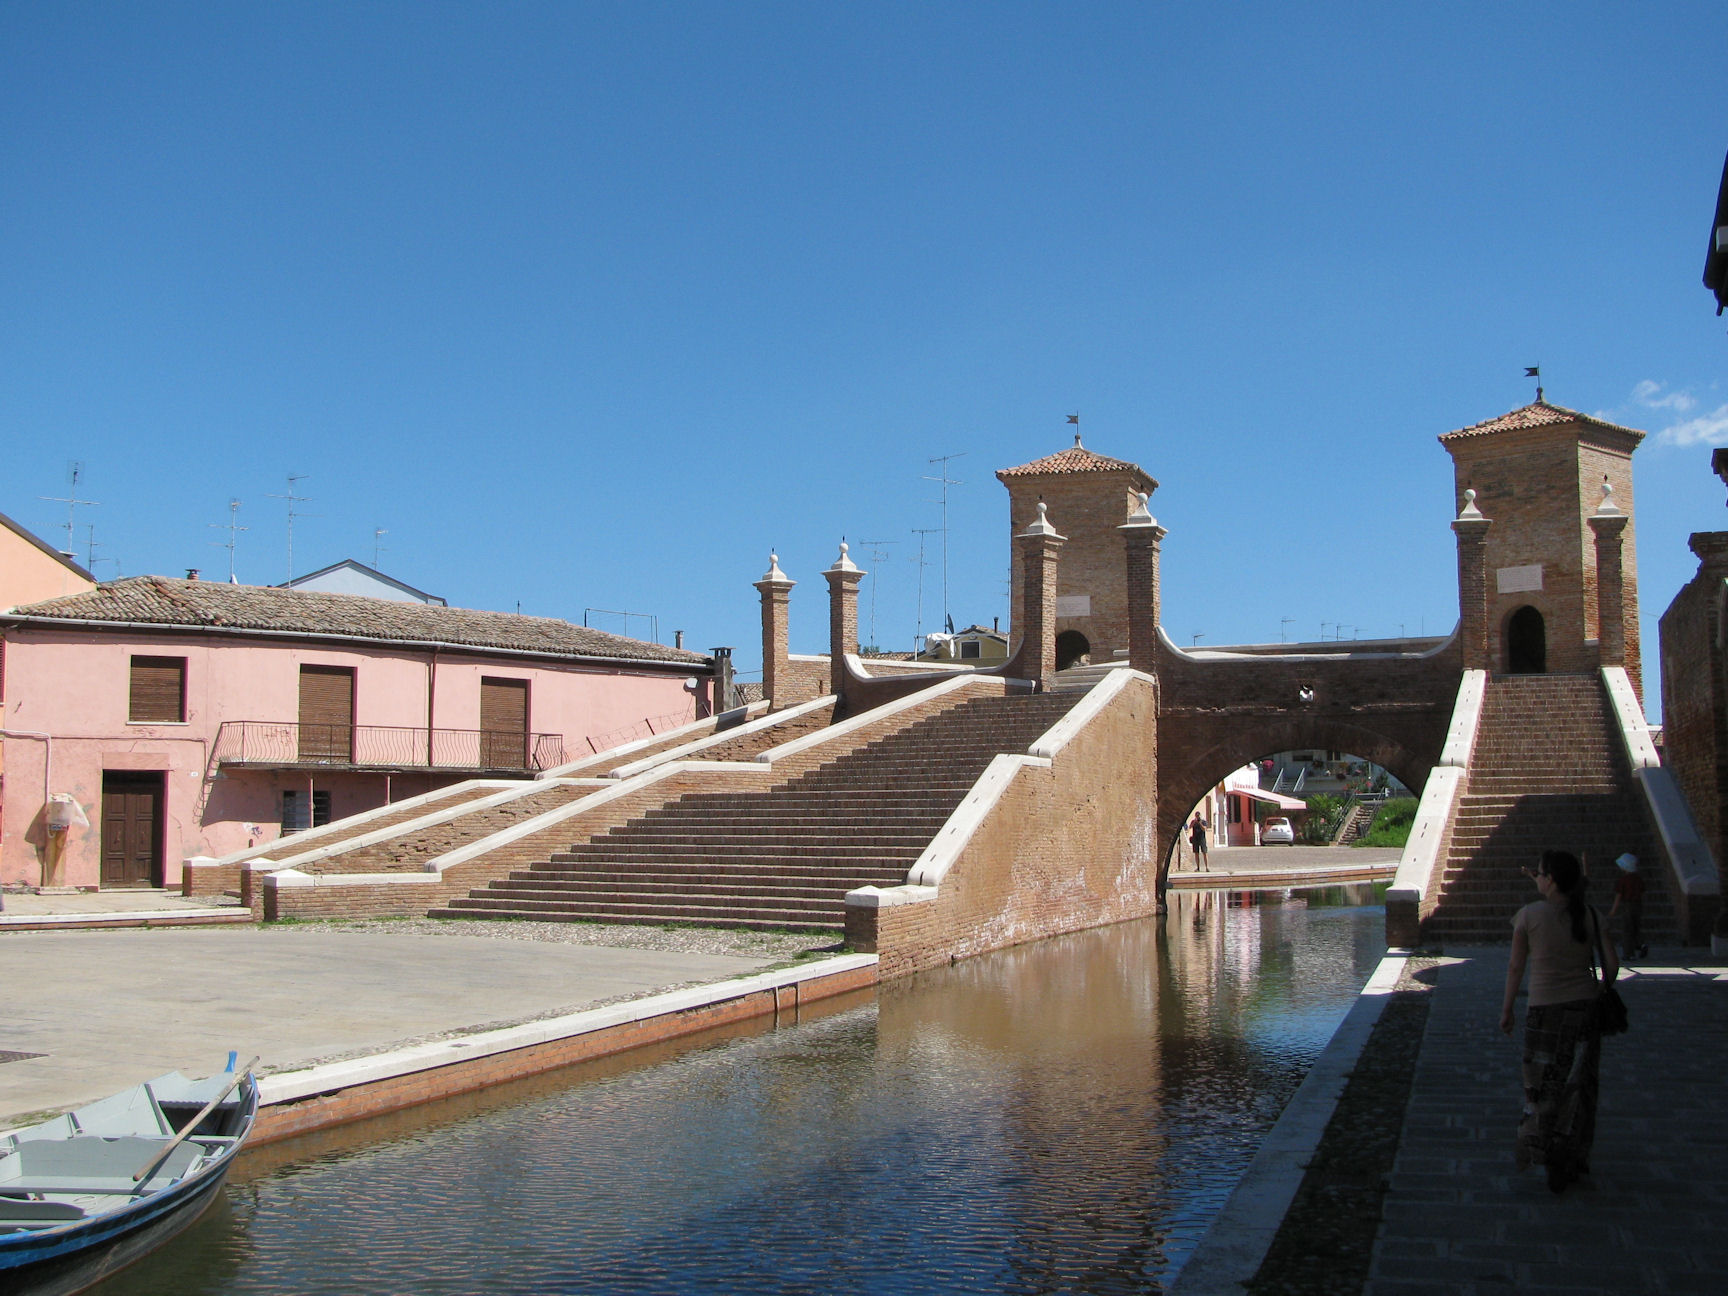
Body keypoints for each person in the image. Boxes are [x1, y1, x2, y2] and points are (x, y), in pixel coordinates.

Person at [1498, 850, 1618, 1193]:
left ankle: (1543, 1148)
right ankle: (1573, 1153)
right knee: (1579, 1085)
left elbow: (1515, 967)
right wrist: (1599, 989)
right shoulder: (1591, 915)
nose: (1536, 877)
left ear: (1550, 880)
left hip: (1543, 1012)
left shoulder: (1528, 915)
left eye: (1539, 873)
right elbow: (1612, 965)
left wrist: (1507, 1009)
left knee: (1541, 1084)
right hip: (1584, 1011)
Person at [1608, 853, 1647, 960]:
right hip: (1638, 905)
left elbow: (1619, 895)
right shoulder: (1638, 879)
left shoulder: (1623, 880)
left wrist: (1613, 910)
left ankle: (1628, 953)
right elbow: (1642, 893)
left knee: (1627, 930)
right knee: (1636, 927)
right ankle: (1641, 944)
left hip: (1627, 905)